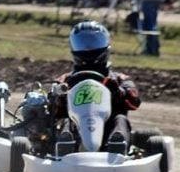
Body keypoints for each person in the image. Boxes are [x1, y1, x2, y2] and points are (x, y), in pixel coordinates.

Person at [50, 21, 141, 154]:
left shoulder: (119, 79)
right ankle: (66, 143)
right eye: (83, 43)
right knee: (66, 120)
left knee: (120, 118)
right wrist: (59, 98)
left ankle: (117, 144)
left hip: (107, 129)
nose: (87, 48)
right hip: (76, 128)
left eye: (93, 42)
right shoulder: (65, 80)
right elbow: (51, 109)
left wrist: (117, 91)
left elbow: (134, 103)